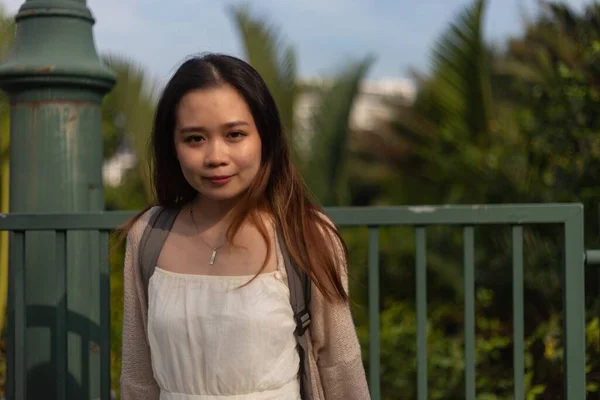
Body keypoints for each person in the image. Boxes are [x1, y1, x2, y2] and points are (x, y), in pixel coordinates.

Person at [118, 53, 370, 400]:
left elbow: (340, 367)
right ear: (172, 146)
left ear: (265, 138)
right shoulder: (147, 235)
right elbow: (138, 375)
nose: (215, 156)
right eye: (195, 139)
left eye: (235, 134)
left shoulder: (306, 235)